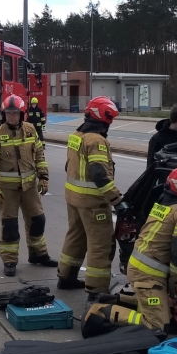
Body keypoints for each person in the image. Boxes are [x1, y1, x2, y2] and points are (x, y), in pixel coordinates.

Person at [84, 167, 177, 331]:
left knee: (163, 307)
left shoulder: (164, 202)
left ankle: (112, 299)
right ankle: (102, 312)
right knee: (158, 326)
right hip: (148, 276)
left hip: (140, 268)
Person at [58, 96, 129, 298]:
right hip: (92, 203)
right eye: (110, 119)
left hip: (73, 198)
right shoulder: (96, 140)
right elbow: (99, 174)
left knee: (75, 237)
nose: (110, 123)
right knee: (100, 244)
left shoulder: (76, 135)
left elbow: (68, 166)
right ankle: (97, 290)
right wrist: (117, 201)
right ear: (104, 118)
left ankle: (66, 277)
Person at [0, 94, 58, 277]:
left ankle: (38, 255)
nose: (11, 116)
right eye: (8, 113)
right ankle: (10, 261)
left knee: (38, 220)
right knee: (9, 226)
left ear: (21, 113)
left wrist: (44, 177)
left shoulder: (30, 130)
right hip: (8, 190)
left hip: (30, 187)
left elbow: (39, 155)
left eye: (15, 113)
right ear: (4, 114)